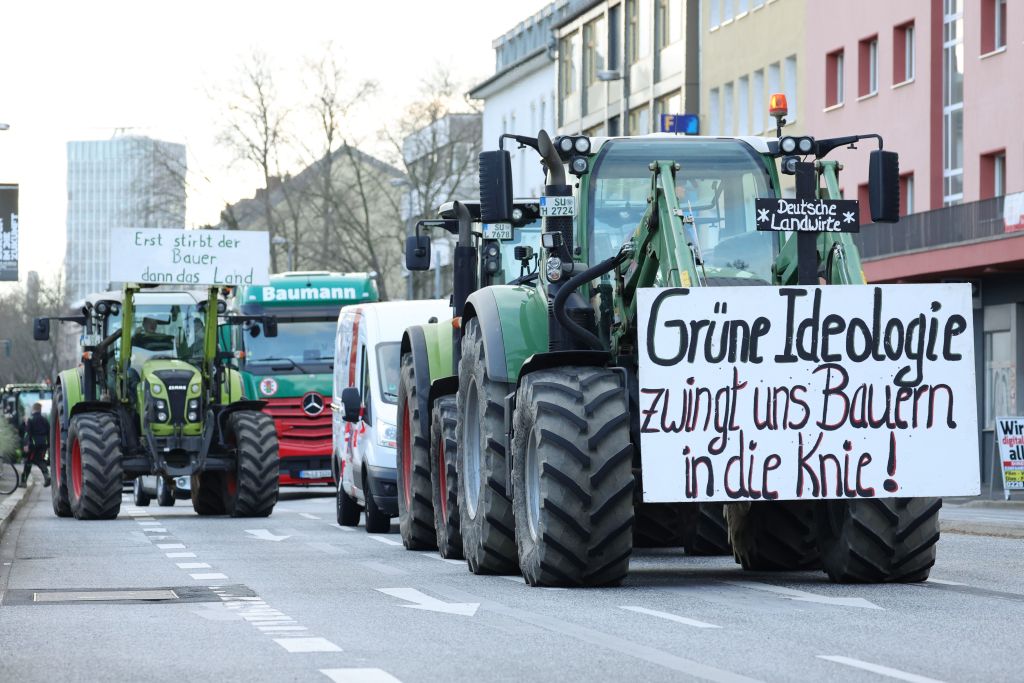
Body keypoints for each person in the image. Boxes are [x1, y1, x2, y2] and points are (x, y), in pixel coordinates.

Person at [22, 402, 50, 487]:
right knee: (40, 460)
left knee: (29, 462)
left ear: (33, 409)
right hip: (43, 444)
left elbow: (28, 433)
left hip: (33, 445)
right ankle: (46, 477)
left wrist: (26, 444)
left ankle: (23, 482)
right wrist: (48, 445)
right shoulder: (45, 420)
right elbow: (49, 432)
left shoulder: (31, 419)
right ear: (40, 409)